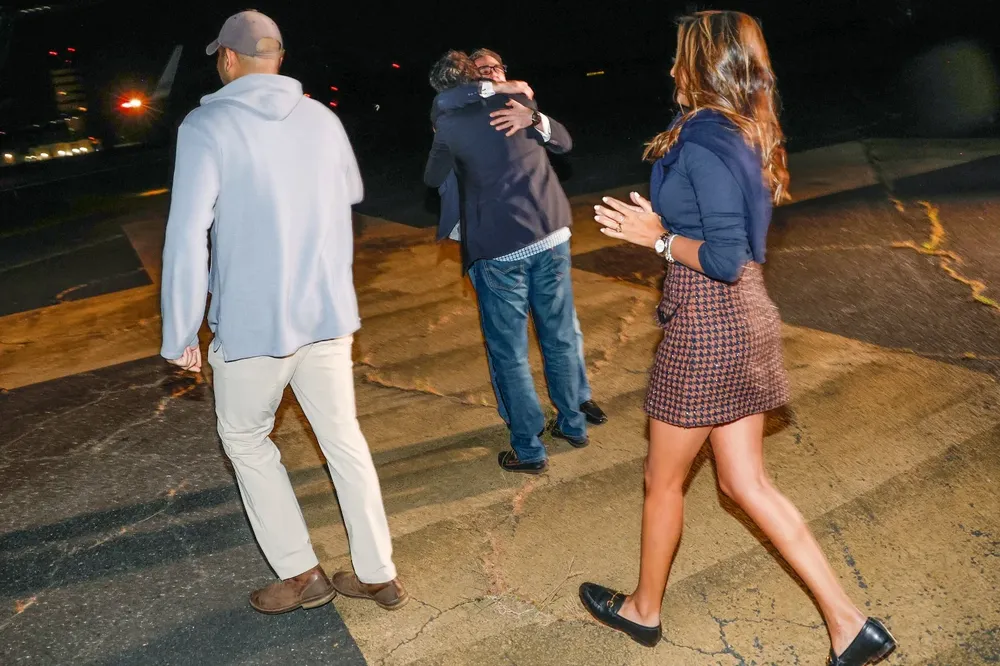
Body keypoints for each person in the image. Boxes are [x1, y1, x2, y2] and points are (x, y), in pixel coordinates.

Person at [577, 11, 896, 666]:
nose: (669, 69)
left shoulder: (704, 141)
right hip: (739, 316)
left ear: (702, 65)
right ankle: (849, 625)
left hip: (708, 323)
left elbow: (723, 256)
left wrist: (658, 239)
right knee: (744, 484)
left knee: (662, 480)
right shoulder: (737, 134)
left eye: (678, 59)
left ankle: (643, 610)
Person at [160, 10, 407, 615]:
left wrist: (180, 326)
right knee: (342, 438)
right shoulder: (321, 117)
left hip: (253, 323)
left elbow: (187, 232)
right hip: (325, 311)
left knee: (245, 439)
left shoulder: (207, 125)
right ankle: (378, 573)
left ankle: (300, 575)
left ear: (228, 59)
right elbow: (350, 192)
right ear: (278, 57)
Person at [423, 51, 588, 474]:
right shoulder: (516, 104)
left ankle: (529, 448)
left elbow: (431, 176)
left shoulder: (449, 119)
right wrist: (529, 114)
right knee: (559, 336)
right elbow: (565, 143)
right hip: (551, 234)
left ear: (445, 88)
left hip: (500, 250)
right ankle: (573, 423)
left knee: (510, 353)